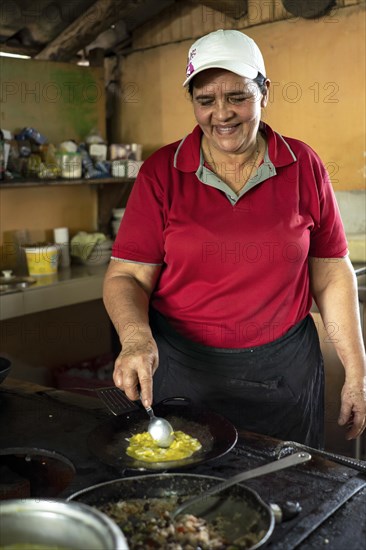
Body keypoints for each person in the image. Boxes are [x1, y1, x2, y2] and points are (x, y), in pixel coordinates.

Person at [103, 29, 366, 448]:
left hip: (285, 373)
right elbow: (127, 278)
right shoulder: (162, 172)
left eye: (237, 97)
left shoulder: (304, 165)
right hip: (184, 369)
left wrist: (357, 373)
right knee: (188, 489)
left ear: (265, 92)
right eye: (205, 100)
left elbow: (332, 273)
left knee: (287, 486)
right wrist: (135, 338)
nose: (221, 114)